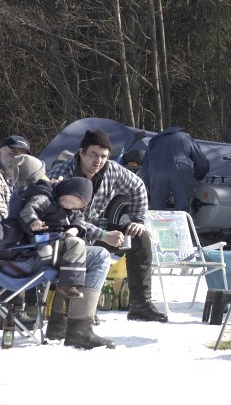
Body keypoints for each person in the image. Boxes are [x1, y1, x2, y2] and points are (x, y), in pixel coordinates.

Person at [48, 129, 168, 322]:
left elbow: (138, 187)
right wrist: (104, 235)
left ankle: (140, 304)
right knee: (76, 240)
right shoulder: (62, 174)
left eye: (103, 156)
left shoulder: (112, 169)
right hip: (66, 234)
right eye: (93, 154)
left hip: (95, 227)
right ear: (81, 152)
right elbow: (70, 220)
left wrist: (137, 220)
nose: (98, 161)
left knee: (139, 236)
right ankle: (82, 309)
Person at [0, 195, 114, 349]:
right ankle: (78, 330)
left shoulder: (18, 195)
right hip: (22, 260)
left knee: (74, 255)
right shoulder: (32, 197)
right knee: (98, 256)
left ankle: (60, 326)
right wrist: (21, 229)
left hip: (15, 259)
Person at [18, 177, 94, 300]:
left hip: (59, 239)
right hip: (40, 237)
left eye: (75, 206)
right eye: (70, 201)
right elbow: (28, 211)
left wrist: (75, 228)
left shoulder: (72, 209)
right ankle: (68, 283)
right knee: (76, 244)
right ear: (66, 190)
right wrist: (34, 222)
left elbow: (79, 219)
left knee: (77, 243)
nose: (70, 206)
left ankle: (69, 284)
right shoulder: (44, 198)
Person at [141, 126, 209, 211]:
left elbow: (145, 169)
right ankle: (182, 222)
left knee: (157, 208)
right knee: (182, 205)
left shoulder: (154, 140)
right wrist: (198, 176)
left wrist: (149, 185)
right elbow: (202, 163)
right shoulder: (185, 137)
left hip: (156, 171)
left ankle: (156, 222)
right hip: (180, 168)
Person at [0, 135, 31, 218]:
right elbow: (0, 220)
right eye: (13, 154)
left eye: (23, 157)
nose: (18, 160)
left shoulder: (24, 178)